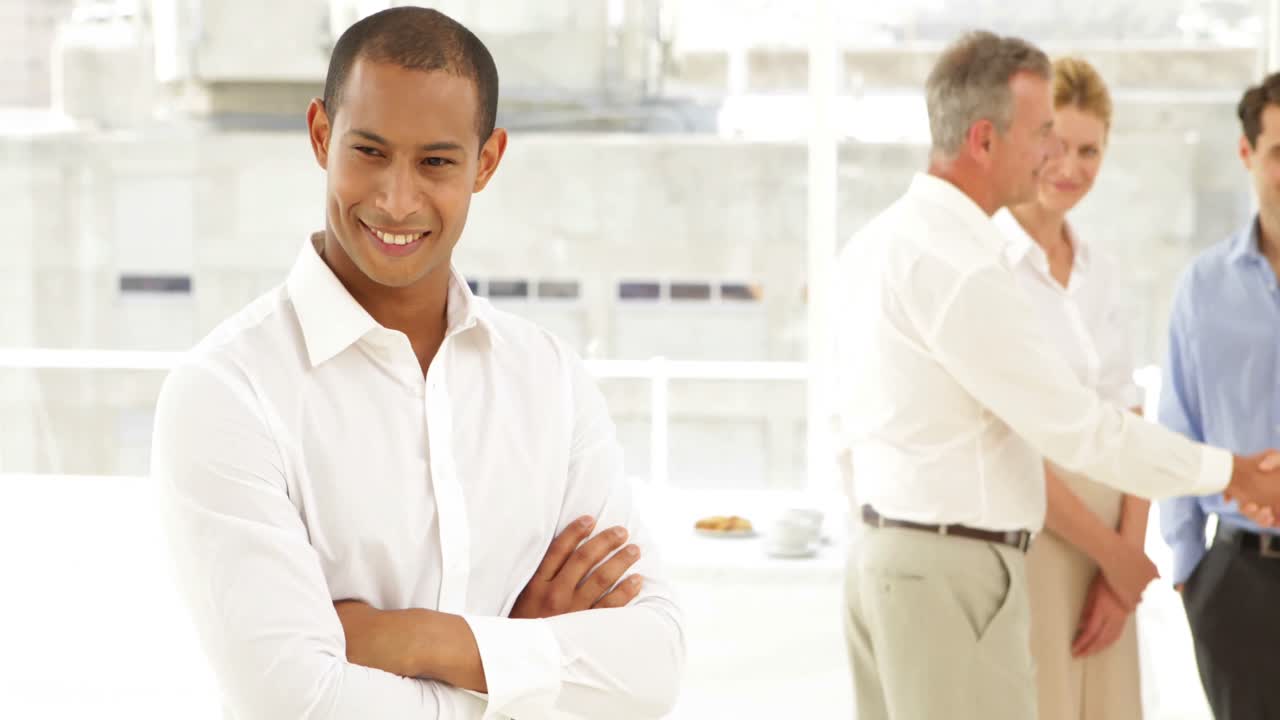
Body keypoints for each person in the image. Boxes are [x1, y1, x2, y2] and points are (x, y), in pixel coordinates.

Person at [151, 8, 684, 719]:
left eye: (435, 162)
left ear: (485, 162)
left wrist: (412, 640)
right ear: (320, 136)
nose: (396, 201)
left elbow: (651, 671)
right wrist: (519, 661)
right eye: (369, 152)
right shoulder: (225, 393)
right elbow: (296, 701)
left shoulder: (548, 379)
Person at [834, 30, 1280, 720]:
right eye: (1042, 133)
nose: (1051, 155)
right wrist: (1234, 474)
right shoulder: (963, 266)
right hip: (950, 570)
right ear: (984, 140)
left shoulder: (884, 240)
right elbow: (1079, 432)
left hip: (899, 559)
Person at [994, 56, 1150, 720]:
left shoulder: (1101, 269)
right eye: (1055, 145)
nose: (1072, 166)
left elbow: (1132, 417)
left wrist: (1128, 564)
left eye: (1090, 150)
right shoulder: (987, 265)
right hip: (1038, 534)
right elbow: (1012, 441)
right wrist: (1114, 556)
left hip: (1114, 535)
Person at [1158, 71, 1280, 720]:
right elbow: (1176, 427)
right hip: (1235, 580)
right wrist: (1188, 566)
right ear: (1246, 155)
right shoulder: (1202, 288)